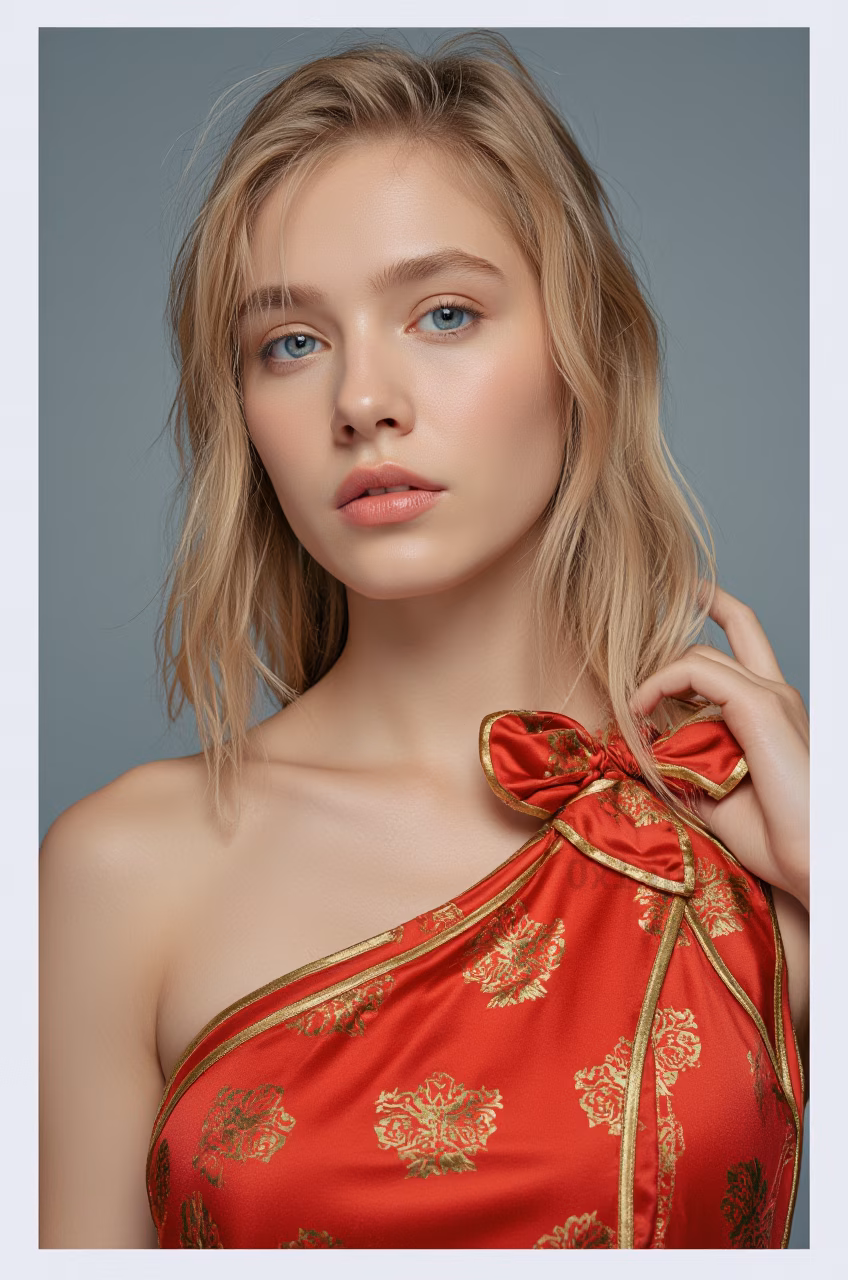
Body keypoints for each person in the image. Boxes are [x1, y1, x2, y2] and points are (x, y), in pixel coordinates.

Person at [39, 33, 809, 1249]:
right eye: (288, 342)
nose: (359, 398)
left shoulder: (743, 829)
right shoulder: (120, 867)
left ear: (584, 351)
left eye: (443, 313)